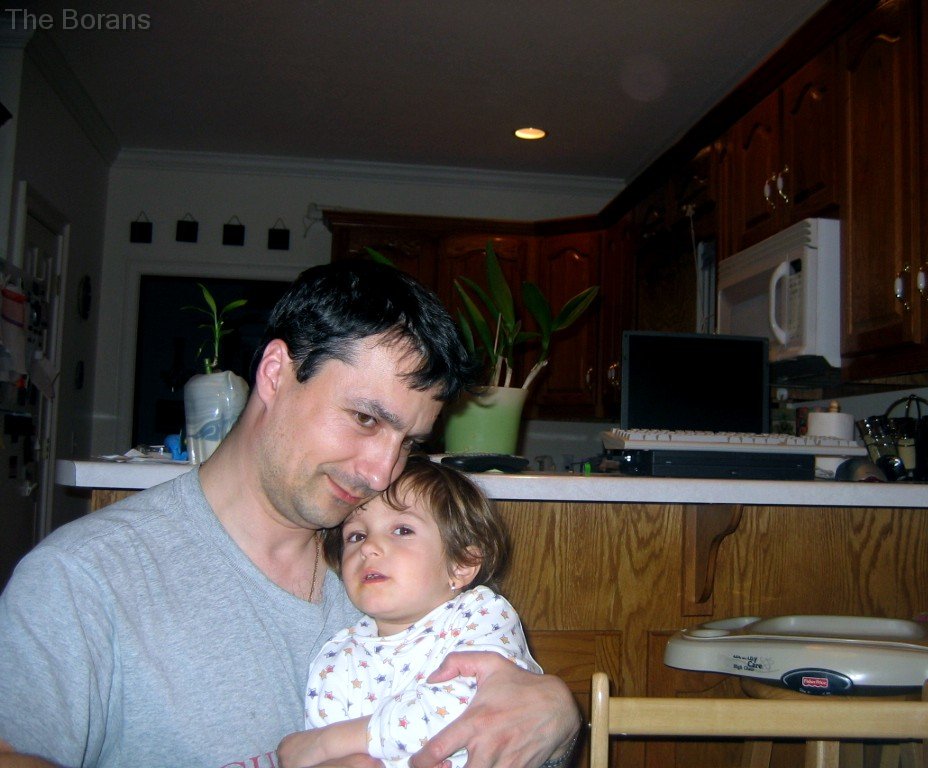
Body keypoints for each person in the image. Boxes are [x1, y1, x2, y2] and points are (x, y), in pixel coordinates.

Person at [0, 260, 579, 768]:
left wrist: (559, 718)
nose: (381, 473)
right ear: (276, 373)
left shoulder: (399, 558)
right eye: (365, 419)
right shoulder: (83, 579)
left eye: (408, 442)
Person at [278, 456, 541, 768]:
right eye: (356, 536)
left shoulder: (482, 615)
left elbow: (476, 711)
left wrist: (330, 742)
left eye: (402, 530)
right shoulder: (336, 657)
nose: (368, 547)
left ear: (462, 564)